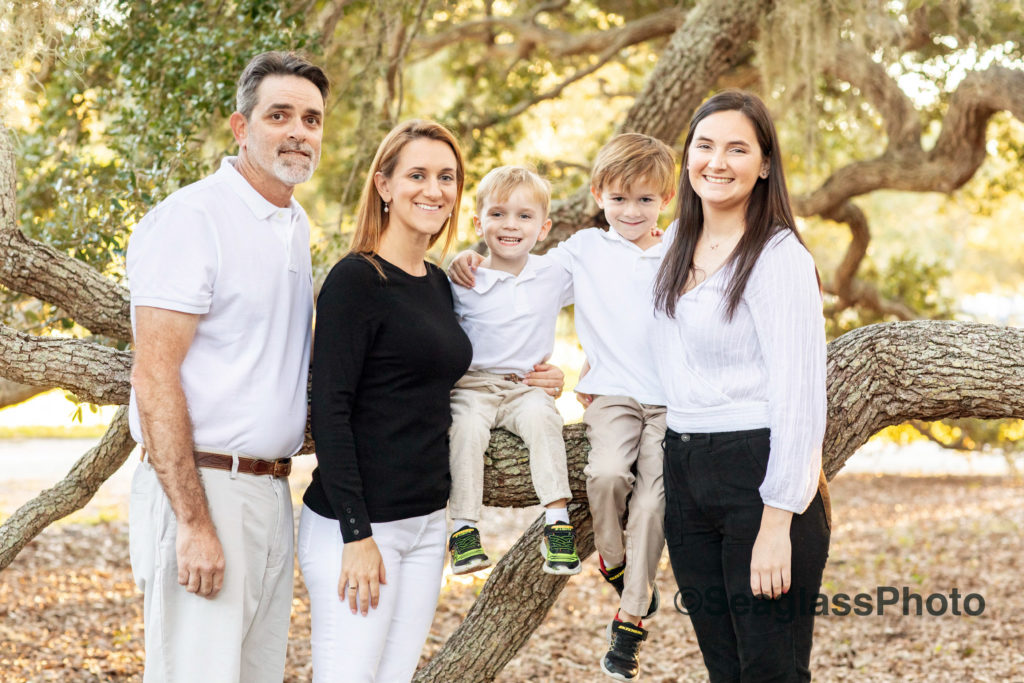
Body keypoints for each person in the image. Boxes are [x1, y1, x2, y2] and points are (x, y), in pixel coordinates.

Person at [297, 121, 564, 682]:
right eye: (416, 174)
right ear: (384, 186)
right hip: (361, 527)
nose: (433, 189)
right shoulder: (356, 279)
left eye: (446, 177)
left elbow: (469, 372)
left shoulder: (442, 283)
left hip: (426, 524)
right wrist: (356, 533)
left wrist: (541, 379)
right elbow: (330, 410)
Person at [126, 51, 329, 683]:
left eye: (312, 119)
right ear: (241, 128)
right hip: (206, 486)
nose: (299, 131)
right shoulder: (194, 219)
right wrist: (193, 522)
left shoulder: (293, 224)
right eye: (279, 115)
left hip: (271, 491)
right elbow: (153, 374)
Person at [449, 133, 676, 681]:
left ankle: (630, 619)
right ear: (598, 194)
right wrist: (467, 257)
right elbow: (515, 275)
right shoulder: (582, 252)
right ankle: (614, 558)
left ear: (666, 200)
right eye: (619, 199)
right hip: (613, 394)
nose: (631, 211)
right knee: (603, 477)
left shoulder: (680, 247)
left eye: (646, 200)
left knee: (651, 504)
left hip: (673, 400)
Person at [652, 90, 831, 682]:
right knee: (725, 671)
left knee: (770, 672)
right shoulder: (672, 247)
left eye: (737, 148)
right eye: (704, 146)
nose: (717, 161)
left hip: (758, 475)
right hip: (683, 470)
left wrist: (778, 520)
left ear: (765, 164)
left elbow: (801, 396)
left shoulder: (778, 257)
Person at [446, 165, 580, 578]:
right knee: (465, 430)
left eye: (525, 216)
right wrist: (456, 258)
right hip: (472, 386)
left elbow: (608, 283)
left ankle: (557, 524)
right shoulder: (463, 280)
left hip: (526, 387)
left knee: (545, 424)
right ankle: (464, 529)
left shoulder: (553, 274)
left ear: (543, 228)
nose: (511, 225)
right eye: (498, 213)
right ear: (478, 222)